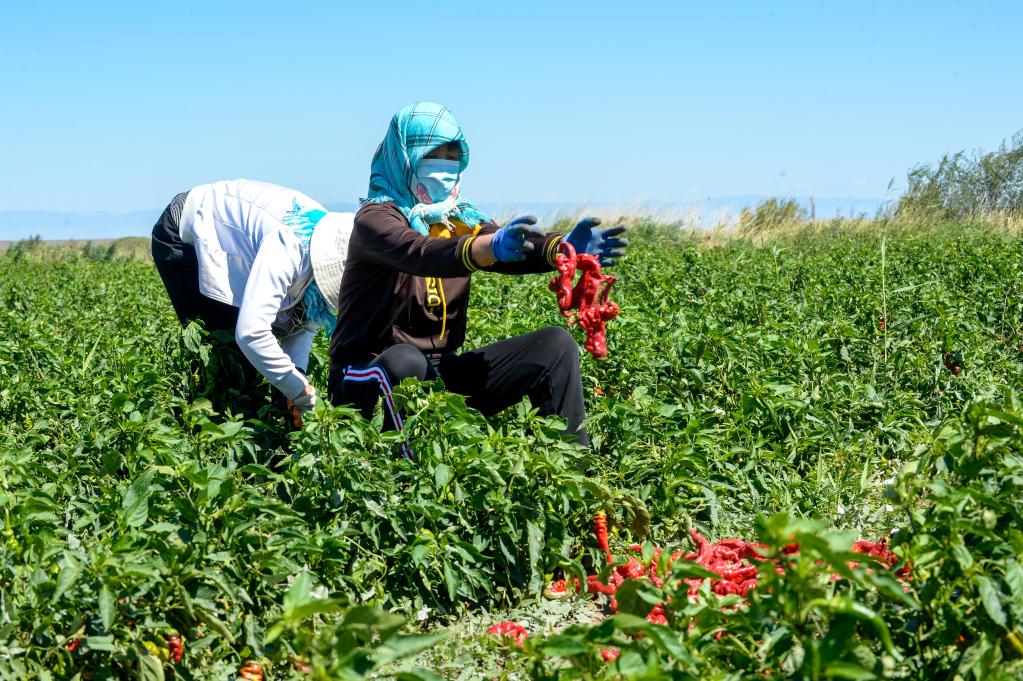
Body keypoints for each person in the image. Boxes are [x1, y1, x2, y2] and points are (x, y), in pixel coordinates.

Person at [327, 102, 628, 457]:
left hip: (438, 374)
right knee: (405, 360)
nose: (446, 166)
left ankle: (573, 472)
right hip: (365, 374)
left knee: (555, 346)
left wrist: (560, 249)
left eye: (453, 155)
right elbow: (419, 252)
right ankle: (409, 479)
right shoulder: (376, 219)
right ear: (404, 156)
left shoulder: (460, 218)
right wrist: (488, 247)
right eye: (433, 155)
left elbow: (508, 247)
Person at [151, 179, 352, 424]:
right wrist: (299, 391)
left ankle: (267, 421)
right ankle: (199, 425)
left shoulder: (331, 243)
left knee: (256, 367)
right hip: (186, 235)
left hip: (233, 242)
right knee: (224, 357)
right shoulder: (289, 245)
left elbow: (303, 323)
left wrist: (297, 377)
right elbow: (251, 334)